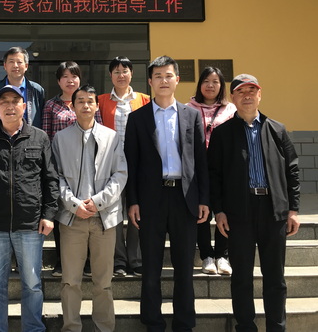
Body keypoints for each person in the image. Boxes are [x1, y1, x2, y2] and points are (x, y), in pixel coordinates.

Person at [208, 73, 300, 332]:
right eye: (241, 91)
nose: (247, 96)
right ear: (233, 98)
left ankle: (276, 327)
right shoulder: (222, 133)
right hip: (239, 212)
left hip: (273, 211)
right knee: (241, 277)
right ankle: (245, 326)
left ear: (260, 95)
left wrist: (293, 210)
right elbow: (214, 175)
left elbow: (292, 171)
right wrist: (219, 211)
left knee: (275, 277)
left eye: (252, 91)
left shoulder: (277, 129)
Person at [124, 55, 209, 332]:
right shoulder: (137, 118)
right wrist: (133, 201)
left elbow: (200, 160)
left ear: (177, 80)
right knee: (151, 269)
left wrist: (204, 199)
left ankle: (184, 323)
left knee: (184, 269)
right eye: (158, 76)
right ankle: (153, 323)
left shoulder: (191, 115)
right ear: (150, 81)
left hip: (184, 199)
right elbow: (131, 164)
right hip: (151, 200)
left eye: (168, 75)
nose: (163, 80)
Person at [0, 85, 59, 332]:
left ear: (24, 106)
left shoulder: (39, 138)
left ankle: (33, 328)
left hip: (30, 225)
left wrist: (49, 214)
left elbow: (51, 179)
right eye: (4, 102)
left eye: (15, 101)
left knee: (32, 284)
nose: (10, 106)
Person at [52, 84, 127, 332]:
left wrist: (98, 202)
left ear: (97, 106)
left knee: (103, 282)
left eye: (90, 101)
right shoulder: (60, 138)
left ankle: (104, 327)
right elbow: (56, 177)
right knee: (70, 281)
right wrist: (74, 204)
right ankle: (71, 327)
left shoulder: (112, 137)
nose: (85, 105)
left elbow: (120, 174)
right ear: (73, 106)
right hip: (72, 219)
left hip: (104, 218)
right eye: (80, 101)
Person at [42, 61, 101, 277]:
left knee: (88, 212)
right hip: (61, 166)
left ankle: (87, 263)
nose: (70, 80)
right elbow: (46, 137)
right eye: (65, 76)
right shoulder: (51, 106)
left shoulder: (89, 102)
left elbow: (100, 132)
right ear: (59, 81)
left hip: (88, 167)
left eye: (74, 76)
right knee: (63, 213)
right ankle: (61, 262)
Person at [98, 56, 150, 278]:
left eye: (125, 70)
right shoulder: (100, 100)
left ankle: (136, 259)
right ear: (110, 75)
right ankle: (118, 260)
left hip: (139, 165)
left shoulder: (145, 100)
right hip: (111, 165)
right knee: (114, 213)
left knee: (139, 211)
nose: (121, 75)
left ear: (131, 74)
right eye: (116, 71)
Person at [187, 67, 237, 276]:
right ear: (200, 84)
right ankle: (207, 255)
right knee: (202, 213)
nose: (210, 85)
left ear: (221, 86)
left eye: (215, 82)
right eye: (206, 81)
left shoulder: (230, 109)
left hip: (223, 169)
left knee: (225, 210)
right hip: (197, 169)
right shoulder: (188, 108)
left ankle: (222, 256)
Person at [0, 46, 45, 135]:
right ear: (5, 66)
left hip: (30, 140)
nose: (15, 65)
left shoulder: (37, 90)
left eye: (19, 62)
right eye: (11, 62)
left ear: (26, 66)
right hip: (0, 139)